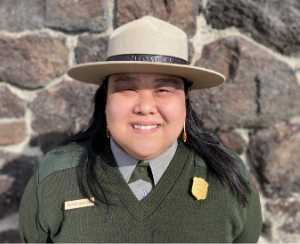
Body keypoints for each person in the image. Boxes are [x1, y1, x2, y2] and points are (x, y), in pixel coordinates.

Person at [19, 16, 262, 243]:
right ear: (106, 97)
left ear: (185, 99)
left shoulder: (226, 178)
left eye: (163, 90)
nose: (145, 107)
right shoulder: (57, 176)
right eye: (127, 89)